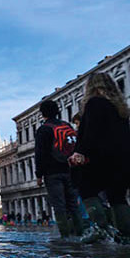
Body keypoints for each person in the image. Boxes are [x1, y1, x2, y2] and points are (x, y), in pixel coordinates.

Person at [69, 72, 130, 242]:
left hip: (102, 157)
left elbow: (91, 133)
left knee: (84, 186)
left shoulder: (94, 103)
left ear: (91, 87)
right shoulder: (119, 106)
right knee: (117, 194)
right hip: (124, 158)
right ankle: (126, 230)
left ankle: (100, 227)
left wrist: (80, 153)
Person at [35, 99, 83, 238]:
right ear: (57, 111)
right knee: (73, 204)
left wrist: (39, 175)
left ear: (42, 113)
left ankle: (65, 236)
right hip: (71, 170)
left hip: (52, 173)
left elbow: (40, 154)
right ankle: (81, 234)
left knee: (59, 205)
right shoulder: (67, 125)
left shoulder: (44, 129)